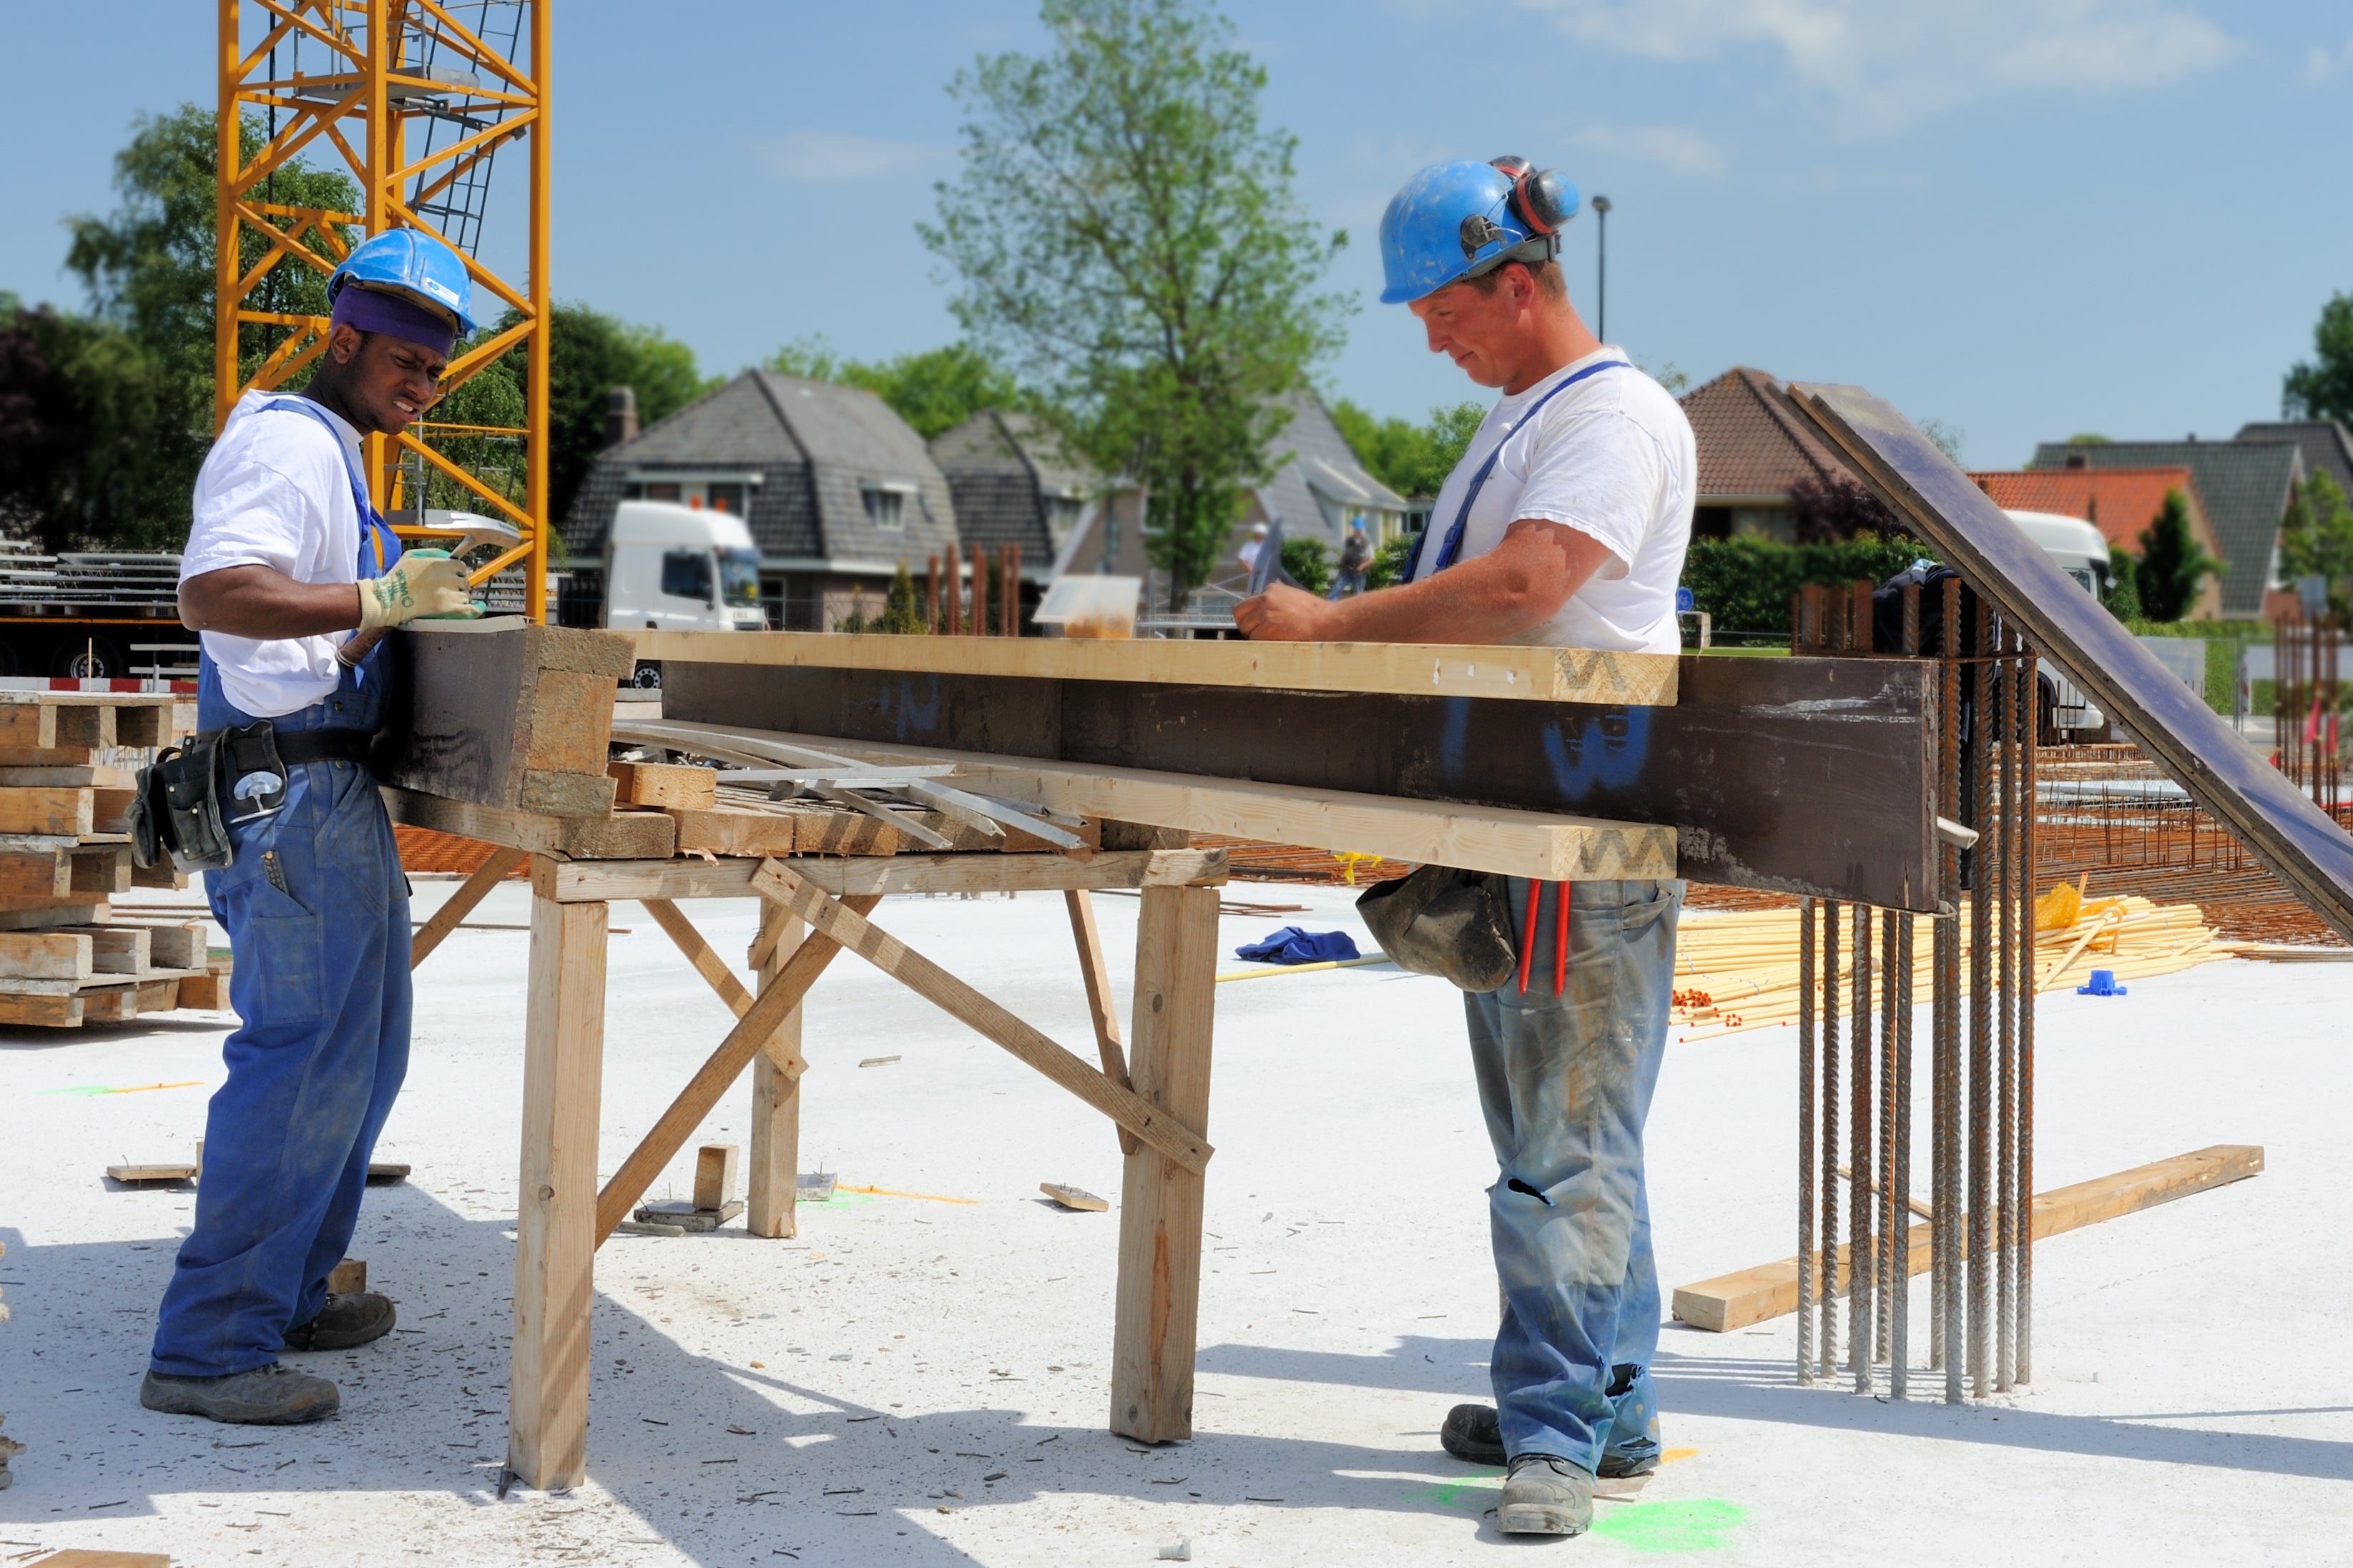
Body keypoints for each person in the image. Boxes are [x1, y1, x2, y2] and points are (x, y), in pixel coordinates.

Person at [1236, 157, 1694, 1538]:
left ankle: (1554, 1429)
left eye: (1441, 308)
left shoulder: (1609, 420)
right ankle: (1607, 1403)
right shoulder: (1529, 418)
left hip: (1583, 829)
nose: (1432, 336)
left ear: (1516, 278)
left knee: (1565, 1149)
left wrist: (1331, 627)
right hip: (1523, 824)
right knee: (1565, 1134)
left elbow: (1528, 584)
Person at [142, 228, 483, 1426]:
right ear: (342, 336)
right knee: (299, 1067)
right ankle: (207, 1347)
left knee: (363, 1057)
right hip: (288, 795)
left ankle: (283, 1290)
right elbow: (213, 591)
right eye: (403, 359)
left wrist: (379, 613)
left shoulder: (335, 454)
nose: (421, 385)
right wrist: (379, 596)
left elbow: (297, 638)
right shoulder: (287, 440)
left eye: (434, 367)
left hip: (324, 788)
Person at [1330, 516, 1373, 599]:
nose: (1358, 531)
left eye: (1360, 529)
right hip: (1346, 570)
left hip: (1359, 573)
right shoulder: (1348, 541)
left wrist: (1362, 566)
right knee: (1337, 589)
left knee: (1358, 594)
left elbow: (1371, 559)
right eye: (1357, 529)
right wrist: (1341, 565)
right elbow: (1343, 555)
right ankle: (1328, 605)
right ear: (1354, 529)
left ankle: (1359, 611)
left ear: (1363, 529)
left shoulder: (1367, 543)